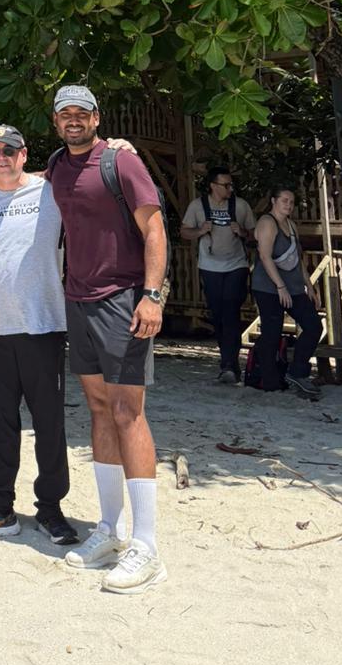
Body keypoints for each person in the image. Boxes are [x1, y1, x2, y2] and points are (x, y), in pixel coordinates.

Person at [47, 84, 169, 593]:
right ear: (56, 122)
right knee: (98, 410)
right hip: (78, 299)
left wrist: (153, 295)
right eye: (64, 114)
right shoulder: (57, 164)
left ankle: (147, 545)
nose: (73, 120)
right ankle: (111, 530)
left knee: (127, 412)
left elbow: (156, 230)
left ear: (97, 117)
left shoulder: (121, 162)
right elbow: (33, 185)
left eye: (82, 113)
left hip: (123, 299)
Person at [0, 125, 75, 546]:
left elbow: (83, 160)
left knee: (49, 424)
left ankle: (50, 510)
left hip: (43, 325)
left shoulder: (51, 191)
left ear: (24, 154)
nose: (2, 156)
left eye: (10, 149)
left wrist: (118, 144)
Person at [180, 166, 256, 384]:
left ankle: (230, 365)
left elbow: (255, 234)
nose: (229, 189)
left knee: (231, 311)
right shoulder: (198, 206)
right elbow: (184, 231)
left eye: (231, 185)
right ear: (213, 186)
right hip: (210, 265)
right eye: (225, 185)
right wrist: (200, 231)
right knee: (219, 314)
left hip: (236, 265)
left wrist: (241, 231)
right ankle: (227, 362)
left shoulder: (240, 205)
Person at [251, 184, 323, 401]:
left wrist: (309, 286)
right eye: (284, 201)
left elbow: (297, 258)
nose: (288, 205)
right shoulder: (267, 222)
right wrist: (280, 286)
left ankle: (297, 371)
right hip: (268, 287)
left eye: (291, 202)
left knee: (313, 325)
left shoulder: (291, 225)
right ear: (273, 201)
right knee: (271, 333)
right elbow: (264, 256)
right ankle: (270, 383)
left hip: (293, 287)